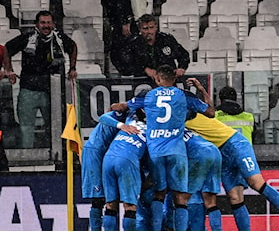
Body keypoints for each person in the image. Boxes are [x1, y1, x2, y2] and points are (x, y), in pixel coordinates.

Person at [110, 64, 214, 231]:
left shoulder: (148, 95)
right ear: (174, 79)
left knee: (159, 194)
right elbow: (211, 112)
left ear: (157, 79)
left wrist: (112, 109)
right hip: (177, 151)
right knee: (180, 198)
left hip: (156, 151)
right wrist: (201, 89)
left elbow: (122, 107)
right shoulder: (183, 95)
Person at [185, 113, 279, 231]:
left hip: (235, 144)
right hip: (221, 155)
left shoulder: (188, 112)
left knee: (256, 183)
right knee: (235, 197)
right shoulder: (178, 122)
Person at [5, 10, 78, 148]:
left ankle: (56, 158)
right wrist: (9, 70)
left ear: (54, 24)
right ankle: (26, 159)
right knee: (26, 129)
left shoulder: (59, 38)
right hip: (28, 89)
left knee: (55, 127)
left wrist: (72, 67)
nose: (46, 26)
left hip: (52, 91)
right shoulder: (27, 37)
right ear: (36, 24)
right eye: (43, 23)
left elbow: (73, 47)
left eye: (49, 23)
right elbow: (7, 48)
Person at [81, 110, 139, 231]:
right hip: (95, 152)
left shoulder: (136, 119)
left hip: (110, 154)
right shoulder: (123, 113)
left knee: (112, 198)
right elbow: (103, 118)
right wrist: (121, 125)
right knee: (98, 198)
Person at [102, 109, 148, 231]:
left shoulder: (130, 118)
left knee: (110, 205)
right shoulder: (155, 129)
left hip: (109, 157)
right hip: (127, 159)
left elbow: (104, 116)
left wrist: (121, 125)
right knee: (130, 206)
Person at [102, 0, 147, 76]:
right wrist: (125, 20)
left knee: (134, 52)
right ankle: (127, 76)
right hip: (128, 21)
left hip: (136, 19)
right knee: (122, 53)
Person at [122, 14, 190, 79]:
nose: (149, 31)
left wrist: (181, 68)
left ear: (156, 27)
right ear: (140, 29)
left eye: (151, 28)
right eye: (145, 28)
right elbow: (126, 65)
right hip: (143, 81)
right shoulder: (134, 44)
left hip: (167, 80)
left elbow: (184, 55)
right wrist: (145, 69)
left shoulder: (167, 39)